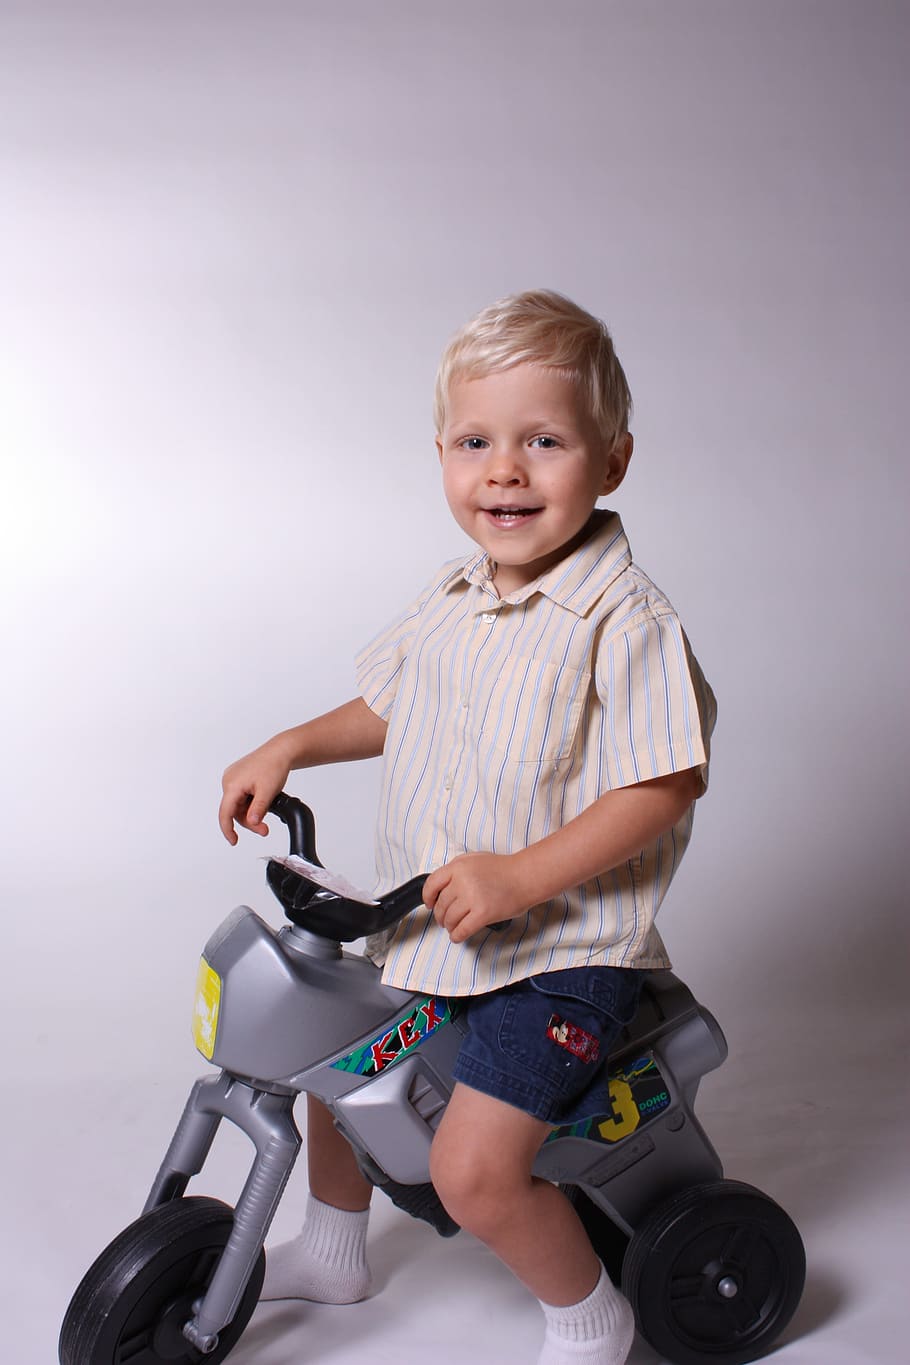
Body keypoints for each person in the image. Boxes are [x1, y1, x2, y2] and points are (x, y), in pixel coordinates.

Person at [219, 289, 716, 1365]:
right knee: (334, 1072)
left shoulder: (625, 622)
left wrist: (524, 878)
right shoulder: (453, 596)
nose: (505, 470)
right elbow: (391, 705)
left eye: (544, 441)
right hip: (434, 927)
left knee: (472, 1170)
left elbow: (661, 786)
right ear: (440, 454)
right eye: (475, 442)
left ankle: (588, 1316)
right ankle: (337, 1246)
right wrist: (290, 744)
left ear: (612, 461)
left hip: (556, 960)